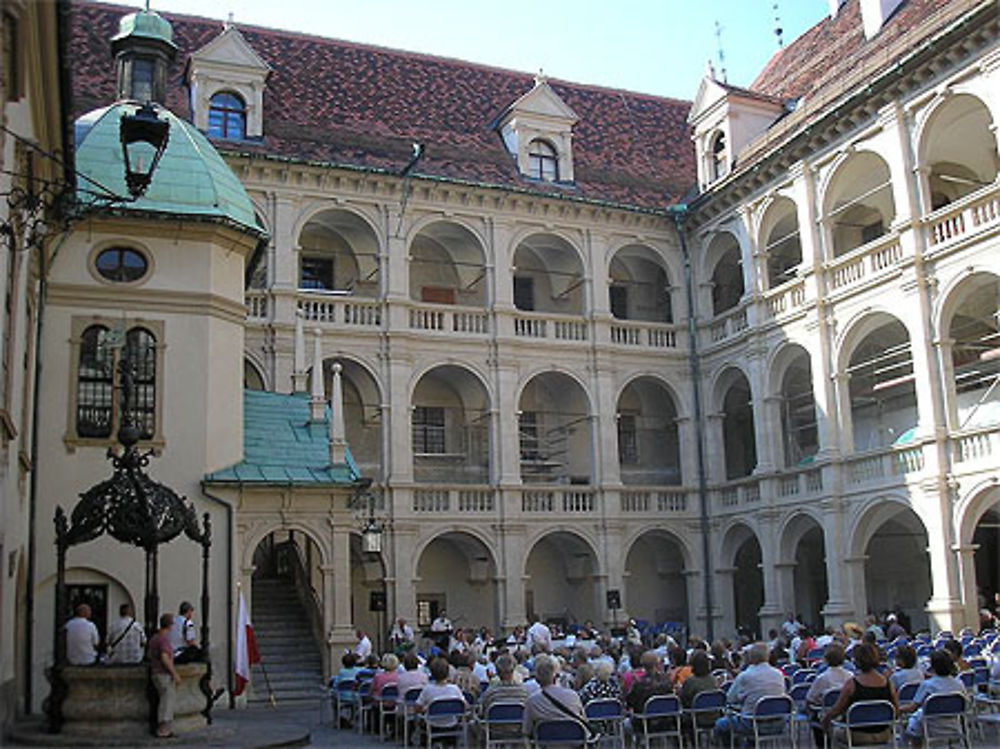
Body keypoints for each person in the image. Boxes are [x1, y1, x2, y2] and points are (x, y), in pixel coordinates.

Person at [822, 642, 898, 746]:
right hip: (883, 733)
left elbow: (836, 710)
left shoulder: (852, 684)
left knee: (834, 732)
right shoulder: (888, 684)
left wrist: (826, 719)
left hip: (856, 735)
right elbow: (896, 711)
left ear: (857, 661)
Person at [713, 642, 786, 747]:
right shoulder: (778, 674)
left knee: (721, 724)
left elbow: (730, 698)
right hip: (778, 723)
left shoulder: (745, 676)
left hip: (752, 724)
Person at [902, 649, 965, 741]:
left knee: (912, 724)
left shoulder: (927, 685)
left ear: (933, 667)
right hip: (953, 725)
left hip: (929, 726)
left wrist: (897, 709)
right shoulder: (959, 683)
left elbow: (913, 707)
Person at [523, 654, 586, 738]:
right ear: (555, 677)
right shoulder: (573, 695)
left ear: (537, 680)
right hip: (574, 743)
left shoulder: (531, 701)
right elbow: (584, 723)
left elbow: (526, 731)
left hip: (546, 744)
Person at [806, 644, 852, 747]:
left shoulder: (822, 678)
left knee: (813, 714)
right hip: (845, 714)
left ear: (825, 660)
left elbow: (810, 698)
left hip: (827, 715)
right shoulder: (850, 676)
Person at [480, 653, 529, 740]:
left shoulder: (490, 692)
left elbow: (483, 712)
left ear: (497, 672)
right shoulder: (524, 692)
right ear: (513, 670)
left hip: (494, 731)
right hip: (519, 730)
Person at [149, 613, 182, 738]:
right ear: (170, 625)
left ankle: (163, 727)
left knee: (164, 698)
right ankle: (163, 728)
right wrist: (174, 673)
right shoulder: (163, 639)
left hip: (155, 672)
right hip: (163, 673)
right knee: (167, 700)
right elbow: (165, 657)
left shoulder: (154, 638)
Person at [679, 651, 721, 740]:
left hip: (697, 717)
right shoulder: (713, 680)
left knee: (679, 720)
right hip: (715, 716)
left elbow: (683, 699)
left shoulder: (690, 681)